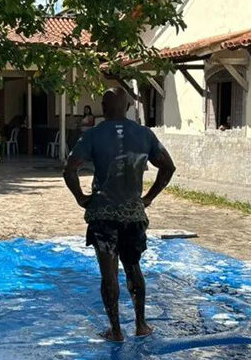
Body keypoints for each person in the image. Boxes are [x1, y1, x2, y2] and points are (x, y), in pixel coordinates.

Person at [63, 89, 176, 342]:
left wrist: (81, 197)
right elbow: (168, 167)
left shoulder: (93, 135)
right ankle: (141, 324)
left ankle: (115, 330)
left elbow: (69, 169)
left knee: (109, 274)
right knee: (133, 268)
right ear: (127, 107)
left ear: (104, 107)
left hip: (103, 213)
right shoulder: (144, 134)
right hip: (132, 213)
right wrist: (148, 198)